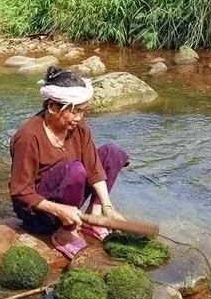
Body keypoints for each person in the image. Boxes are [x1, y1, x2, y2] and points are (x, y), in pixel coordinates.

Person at [9, 66, 130, 259]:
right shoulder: (28, 137)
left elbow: (94, 166)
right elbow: (19, 191)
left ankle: (94, 218)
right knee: (75, 170)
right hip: (39, 213)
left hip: (69, 198)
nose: (79, 118)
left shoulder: (78, 127)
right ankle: (66, 232)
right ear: (52, 107)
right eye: (74, 112)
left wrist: (107, 206)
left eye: (82, 111)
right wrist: (58, 210)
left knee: (112, 152)